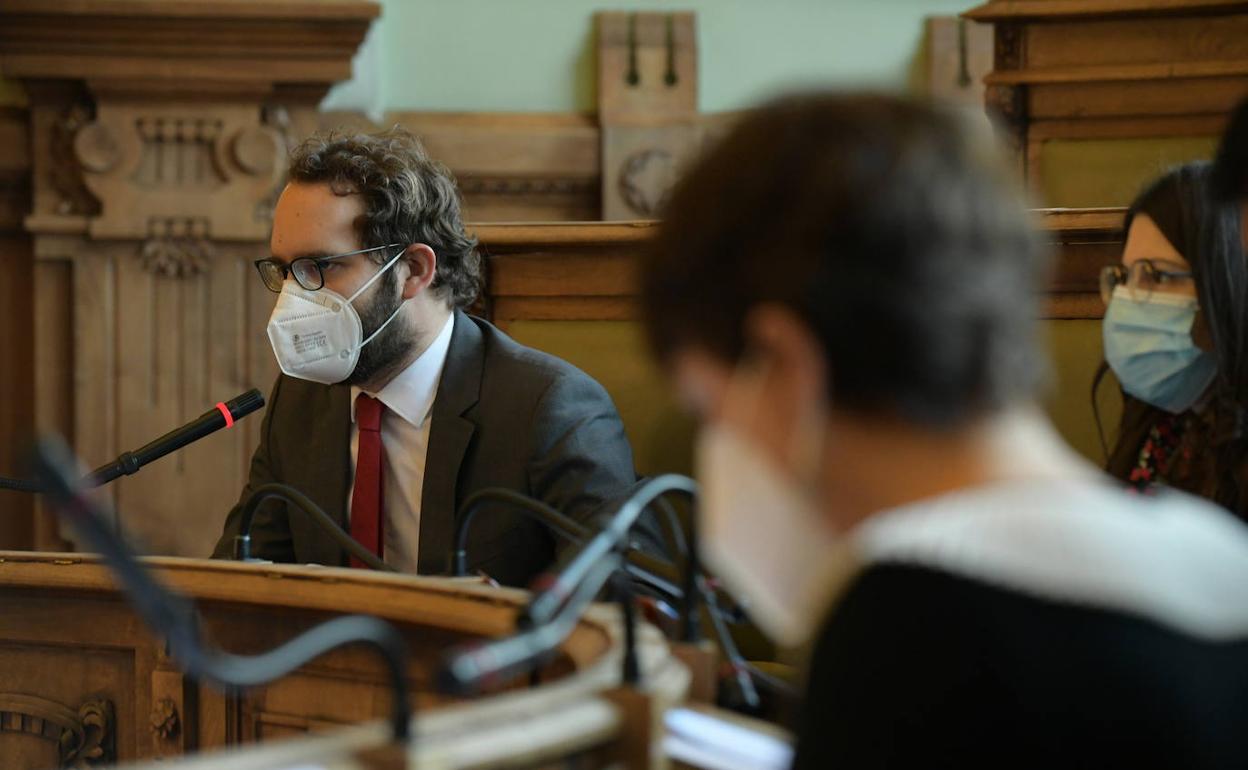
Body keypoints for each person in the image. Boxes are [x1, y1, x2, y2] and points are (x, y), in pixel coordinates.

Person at [640, 92, 1248, 767]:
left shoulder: (910, 617)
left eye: (708, 407)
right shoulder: (1221, 561)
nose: (717, 441)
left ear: (783, 363)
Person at [213, 129, 641, 588]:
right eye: (285, 271)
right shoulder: (302, 400)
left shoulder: (550, 409)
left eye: (321, 267)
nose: (296, 297)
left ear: (414, 270)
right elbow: (237, 589)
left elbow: (626, 602)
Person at [1097, 162, 1248, 519]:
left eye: (1158, 275)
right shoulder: (1165, 424)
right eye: (1128, 275)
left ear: (1229, 283)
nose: (1130, 298)